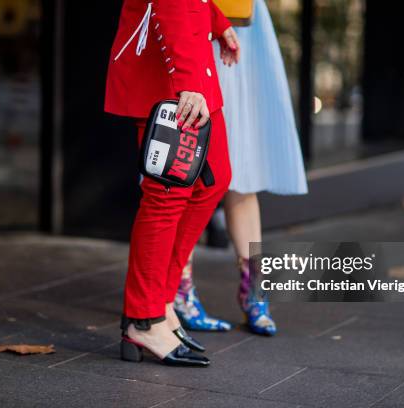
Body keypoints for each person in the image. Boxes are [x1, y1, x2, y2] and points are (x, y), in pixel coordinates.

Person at [105, 0, 240, 366]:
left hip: (191, 61)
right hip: (171, 71)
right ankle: (143, 319)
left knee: (214, 180)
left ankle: (162, 302)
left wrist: (217, 19)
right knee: (167, 194)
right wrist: (187, 80)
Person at [174, 0, 308, 336]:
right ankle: (178, 286)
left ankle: (254, 288)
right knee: (184, 167)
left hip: (243, 26)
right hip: (189, 21)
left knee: (243, 162)